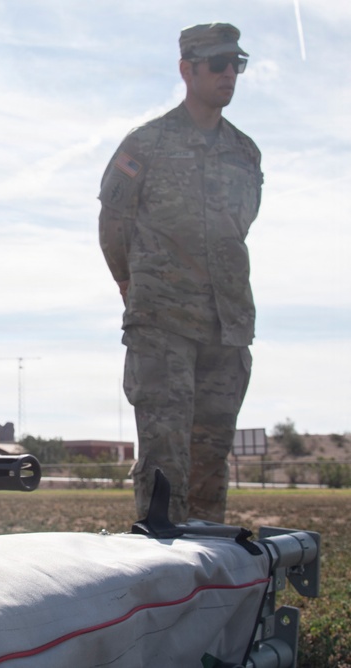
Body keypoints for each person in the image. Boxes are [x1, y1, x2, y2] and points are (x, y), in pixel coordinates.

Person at [98, 24, 263, 524]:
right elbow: (114, 222)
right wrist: (134, 286)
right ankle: (162, 578)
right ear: (187, 69)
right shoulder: (146, 144)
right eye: (218, 64)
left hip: (227, 327)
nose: (229, 73)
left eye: (237, 63)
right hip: (162, 324)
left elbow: (242, 226)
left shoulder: (245, 152)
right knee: (165, 464)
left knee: (211, 464)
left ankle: (210, 583)